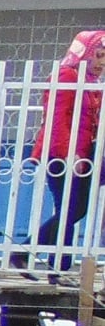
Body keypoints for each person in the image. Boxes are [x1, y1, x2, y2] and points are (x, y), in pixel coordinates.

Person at [36, 28, 104, 266]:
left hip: (83, 155)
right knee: (72, 209)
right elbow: (58, 119)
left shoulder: (91, 83)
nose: (101, 63)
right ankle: (24, 252)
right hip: (61, 155)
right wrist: (68, 154)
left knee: (68, 210)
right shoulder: (66, 75)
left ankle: (58, 266)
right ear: (84, 52)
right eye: (98, 55)